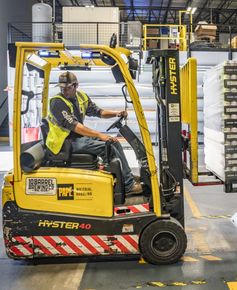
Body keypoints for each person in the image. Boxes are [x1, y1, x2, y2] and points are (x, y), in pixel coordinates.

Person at [46, 71, 142, 194]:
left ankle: (126, 177)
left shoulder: (81, 97)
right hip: (64, 143)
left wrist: (116, 113)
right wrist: (99, 135)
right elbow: (74, 126)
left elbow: (99, 112)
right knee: (108, 148)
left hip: (77, 138)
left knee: (114, 142)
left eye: (68, 88)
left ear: (76, 86)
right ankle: (128, 186)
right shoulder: (57, 102)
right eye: (62, 88)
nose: (64, 91)